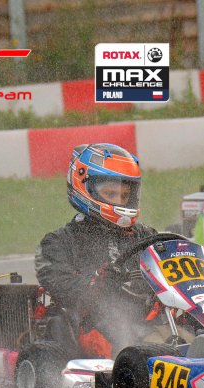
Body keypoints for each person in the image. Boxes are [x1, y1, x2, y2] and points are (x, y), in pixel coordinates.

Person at [35, 142, 157, 358]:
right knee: (116, 333)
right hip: (92, 326)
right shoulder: (59, 242)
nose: (120, 201)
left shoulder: (146, 236)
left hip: (148, 320)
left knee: (193, 326)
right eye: (111, 193)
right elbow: (61, 287)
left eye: (125, 195)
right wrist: (97, 283)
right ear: (85, 187)